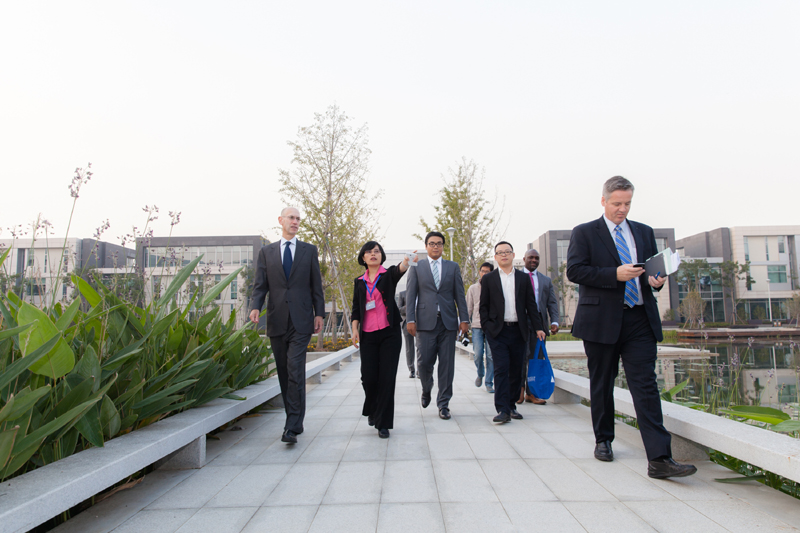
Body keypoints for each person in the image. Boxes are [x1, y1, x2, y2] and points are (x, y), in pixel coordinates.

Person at [566, 176, 697, 479]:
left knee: (646, 385)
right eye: (617, 203)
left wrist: (656, 280)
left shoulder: (643, 232)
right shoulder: (584, 232)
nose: (622, 209)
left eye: (627, 203)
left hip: (639, 318)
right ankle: (603, 440)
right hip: (601, 320)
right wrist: (614, 274)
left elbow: (651, 272)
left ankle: (660, 458)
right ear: (603, 201)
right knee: (602, 382)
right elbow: (575, 270)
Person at [249, 207, 324, 445]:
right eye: (291, 218)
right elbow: (260, 284)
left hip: (302, 320)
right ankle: (295, 421)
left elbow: (316, 285)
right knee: (283, 371)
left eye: (298, 219)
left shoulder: (309, 250)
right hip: (277, 319)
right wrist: (255, 306)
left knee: (294, 368)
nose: (295, 221)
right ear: (280, 220)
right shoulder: (267, 252)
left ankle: (291, 426)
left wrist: (319, 313)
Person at [351, 243, 417, 438]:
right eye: (369, 252)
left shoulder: (387, 275)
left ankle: (383, 423)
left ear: (381, 256)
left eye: (377, 251)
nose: (373, 254)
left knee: (387, 379)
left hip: (390, 334)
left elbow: (400, 269)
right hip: (368, 335)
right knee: (369, 378)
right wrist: (354, 329)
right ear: (363, 257)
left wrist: (407, 261)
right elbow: (356, 308)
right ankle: (373, 408)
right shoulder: (359, 282)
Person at [406, 231, 469, 420]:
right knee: (424, 362)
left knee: (447, 365)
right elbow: (411, 294)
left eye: (439, 243)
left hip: (448, 323)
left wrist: (464, 319)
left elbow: (459, 295)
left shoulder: (453, 267)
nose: (436, 246)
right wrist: (410, 319)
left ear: (443, 246)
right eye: (432, 243)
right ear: (426, 246)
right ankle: (427, 388)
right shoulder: (417, 267)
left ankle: (443, 404)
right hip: (425, 323)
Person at [479, 242, 545, 423]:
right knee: (501, 369)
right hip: (498, 332)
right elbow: (483, 307)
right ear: (495, 257)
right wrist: (487, 327)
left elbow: (531, 305)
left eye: (507, 252)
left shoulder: (523, 278)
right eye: (500, 252)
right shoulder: (489, 279)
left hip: (518, 330)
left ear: (513, 255)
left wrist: (538, 327)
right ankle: (502, 409)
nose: (504, 255)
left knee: (516, 370)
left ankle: (511, 405)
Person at [520, 249, 560, 405]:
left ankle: (532, 393)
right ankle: (520, 390)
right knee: (520, 356)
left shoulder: (546, 280)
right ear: (524, 258)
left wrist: (555, 322)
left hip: (539, 324)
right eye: (531, 257)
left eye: (537, 258)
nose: (534, 260)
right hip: (521, 322)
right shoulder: (517, 277)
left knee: (536, 357)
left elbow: (552, 303)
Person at [466, 262, 495, 393]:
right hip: (477, 326)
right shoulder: (473, 288)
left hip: (491, 326)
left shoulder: (495, 287)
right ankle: (480, 373)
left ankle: (489, 382)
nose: (484, 274)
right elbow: (468, 307)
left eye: (487, 272)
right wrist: (465, 323)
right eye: (482, 271)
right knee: (478, 354)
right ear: (479, 272)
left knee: (490, 356)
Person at [397, 289, 416, 378]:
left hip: (420, 322)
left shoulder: (420, 292)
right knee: (409, 347)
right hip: (406, 323)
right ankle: (411, 369)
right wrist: (408, 307)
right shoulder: (402, 293)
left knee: (421, 346)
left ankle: (420, 369)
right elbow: (399, 309)